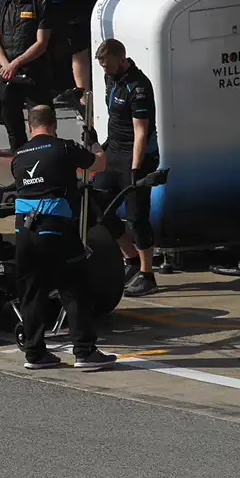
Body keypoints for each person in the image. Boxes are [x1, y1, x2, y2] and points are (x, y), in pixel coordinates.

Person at [11, 104, 116, 370]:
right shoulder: (65, 148)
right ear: (54, 124)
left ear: (29, 126)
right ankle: (84, 351)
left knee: (32, 292)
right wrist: (94, 145)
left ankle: (34, 353)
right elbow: (99, 165)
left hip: (23, 231)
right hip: (55, 228)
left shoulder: (19, 155)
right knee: (75, 287)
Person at [93, 38, 160, 297]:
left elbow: (141, 133)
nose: (105, 70)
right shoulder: (113, 79)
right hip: (114, 153)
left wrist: (135, 170)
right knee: (99, 206)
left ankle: (147, 275)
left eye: (108, 65)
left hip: (138, 156)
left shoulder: (139, 86)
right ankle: (130, 259)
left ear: (122, 59)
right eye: (102, 66)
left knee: (136, 216)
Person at [0, 0, 54, 153]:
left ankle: (48, 165)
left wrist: (15, 63)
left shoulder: (41, 3)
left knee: (43, 124)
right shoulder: (2, 4)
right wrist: (6, 65)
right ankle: (20, 167)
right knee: (12, 125)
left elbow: (41, 43)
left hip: (34, 73)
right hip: (8, 75)